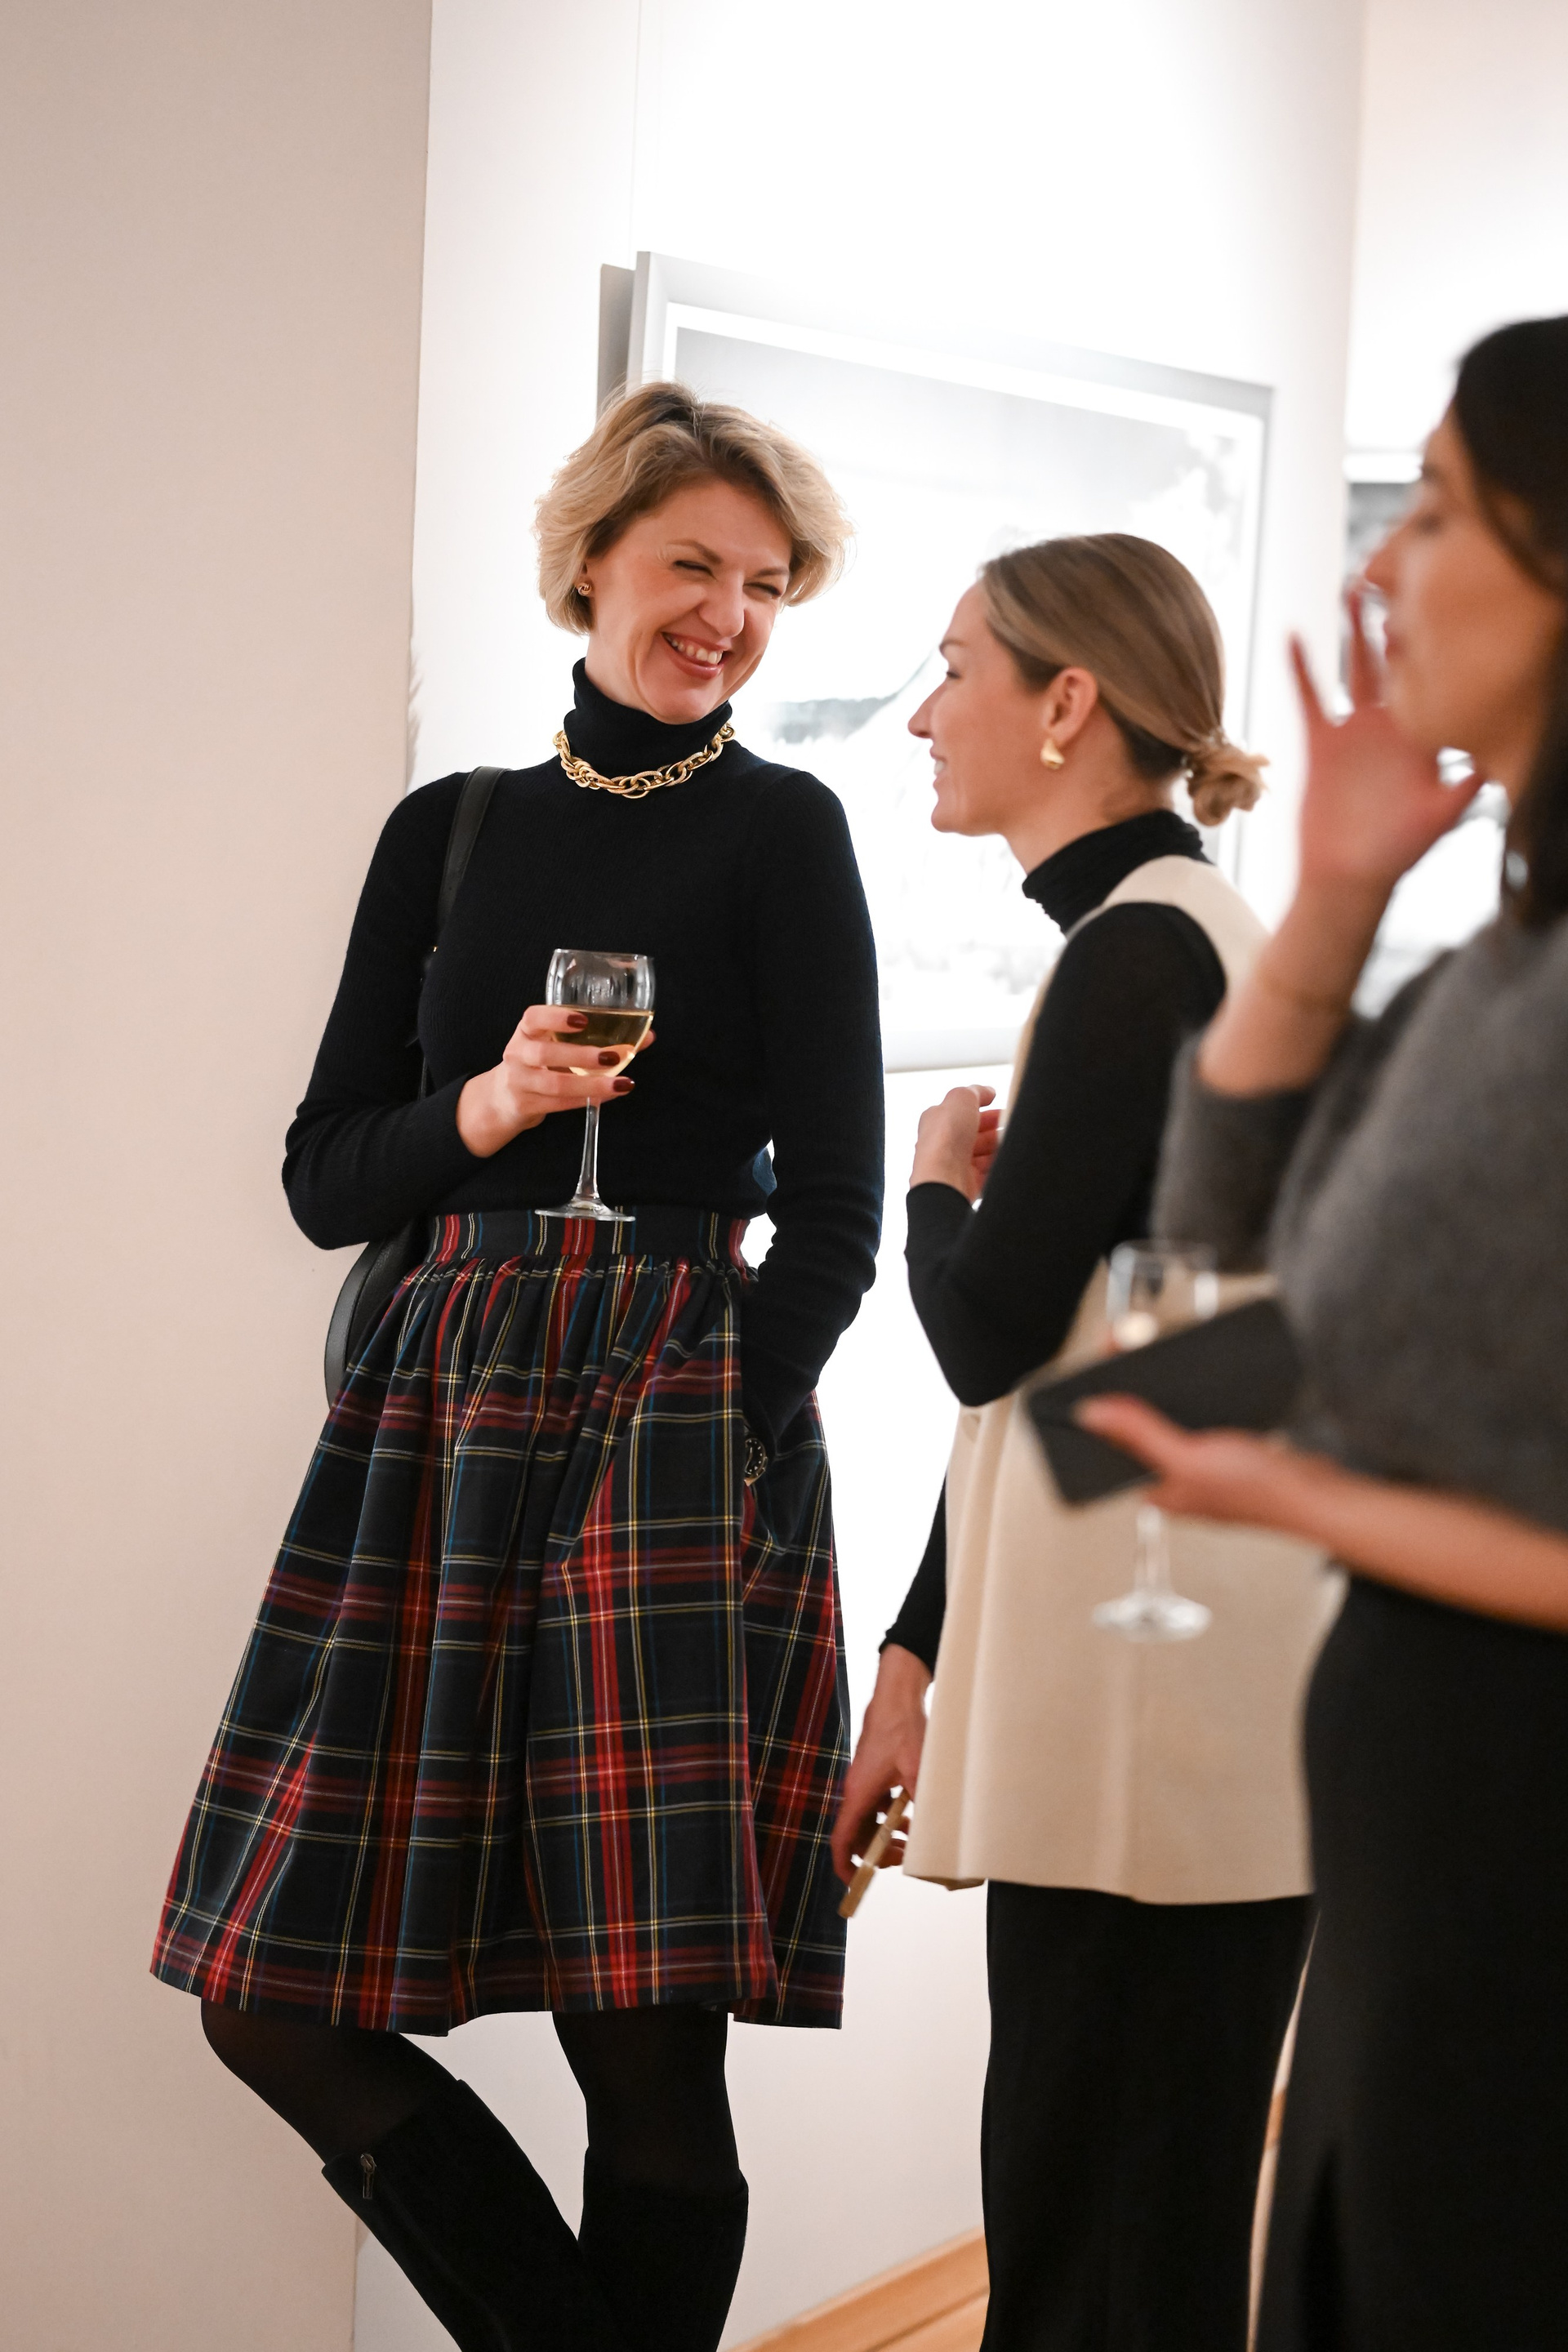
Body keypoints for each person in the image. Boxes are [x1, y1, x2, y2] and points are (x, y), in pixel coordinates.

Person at [151, 381, 884, 2352]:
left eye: (765, 584)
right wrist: (487, 1107)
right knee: (268, 1997)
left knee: (640, 2034)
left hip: (676, 1417)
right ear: (589, 562)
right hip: (441, 1423)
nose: (727, 615)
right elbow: (324, 1174)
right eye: (692, 566)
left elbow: (838, 1209)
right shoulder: (453, 831)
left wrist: (722, 1419)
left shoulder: (785, 829)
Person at [1080, 316, 1568, 2348]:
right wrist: (1342, 892)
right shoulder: (1500, 971)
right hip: (1422, 1865)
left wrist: (1308, 1500)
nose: (1382, 567)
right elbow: (1223, 1225)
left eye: (1437, 510)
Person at [832, 536, 1339, 2351]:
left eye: (955, 667)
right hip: (1173, 1722)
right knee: (1120, 2233)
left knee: (1093, 2251)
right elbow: (1083, 1387)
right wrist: (918, 1653)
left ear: (1069, 703)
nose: (922, 715)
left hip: (1155, 1740)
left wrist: (926, 1192)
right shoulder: (1183, 938)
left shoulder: (1138, 957)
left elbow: (985, 1336)